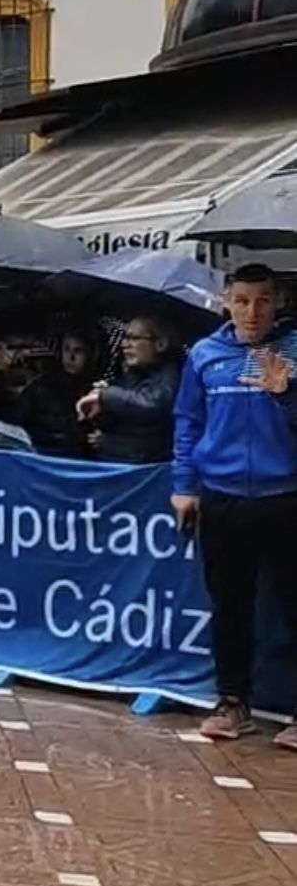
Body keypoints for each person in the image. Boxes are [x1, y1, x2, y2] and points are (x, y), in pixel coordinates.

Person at [173, 264, 297, 747]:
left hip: (286, 496)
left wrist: (286, 396)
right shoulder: (205, 355)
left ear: (279, 302)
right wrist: (184, 485)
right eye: (242, 300)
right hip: (222, 498)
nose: (252, 311)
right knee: (230, 606)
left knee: (293, 608)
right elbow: (187, 422)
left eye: (263, 301)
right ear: (226, 301)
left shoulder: (292, 351)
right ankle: (232, 703)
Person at [81, 316, 180, 464]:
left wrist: (106, 395)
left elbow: (150, 406)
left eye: (133, 338)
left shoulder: (171, 376)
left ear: (160, 344)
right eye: (124, 338)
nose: (124, 344)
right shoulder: (129, 374)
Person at [16, 330, 100, 459]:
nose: (71, 357)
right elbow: (19, 425)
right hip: (43, 455)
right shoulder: (40, 386)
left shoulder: (98, 390)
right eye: (66, 350)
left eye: (78, 351)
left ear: (90, 355)